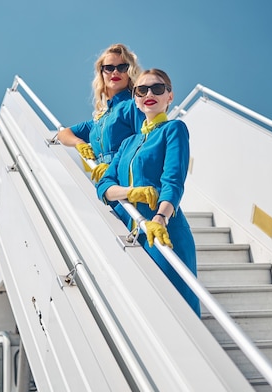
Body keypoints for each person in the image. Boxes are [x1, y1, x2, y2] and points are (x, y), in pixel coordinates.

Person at [96, 68, 200, 316]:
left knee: (175, 311)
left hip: (162, 233)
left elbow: (173, 180)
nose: (149, 94)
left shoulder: (174, 129)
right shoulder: (127, 143)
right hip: (132, 234)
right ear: (135, 99)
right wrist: (131, 192)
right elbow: (104, 186)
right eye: (141, 90)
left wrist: (160, 218)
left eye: (158, 88)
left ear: (169, 97)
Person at [57, 43, 145, 182]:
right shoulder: (100, 120)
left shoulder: (135, 105)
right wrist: (79, 143)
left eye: (122, 67)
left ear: (130, 72)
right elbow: (63, 134)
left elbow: (145, 143)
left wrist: (114, 167)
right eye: (109, 68)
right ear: (101, 73)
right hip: (108, 184)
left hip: (133, 180)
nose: (115, 72)